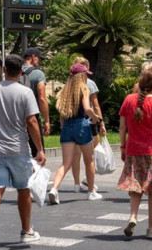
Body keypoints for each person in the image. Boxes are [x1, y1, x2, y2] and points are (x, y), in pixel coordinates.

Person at [0, 54, 46, 250]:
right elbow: (32, 121)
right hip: (18, 149)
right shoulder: (25, 92)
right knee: (24, 189)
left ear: (3, 70)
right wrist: (40, 149)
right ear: (21, 71)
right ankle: (26, 231)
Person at [117, 67, 152, 239]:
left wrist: (122, 147)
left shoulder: (128, 99)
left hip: (133, 150)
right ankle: (151, 228)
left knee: (135, 186)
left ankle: (133, 216)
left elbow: (122, 127)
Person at [48, 63, 103, 204]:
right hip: (81, 126)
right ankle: (91, 192)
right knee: (89, 159)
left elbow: (61, 113)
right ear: (81, 75)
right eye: (85, 74)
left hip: (67, 127)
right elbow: (87, 108)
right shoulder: (83, 89)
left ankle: (54, 189)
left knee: (65, 163)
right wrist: (96, 118)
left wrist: (63, 126)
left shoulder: (64, 91)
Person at [69, 57, 106, 193]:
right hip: (88, 122)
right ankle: (89, 182)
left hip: (70, 122)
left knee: (75, 155)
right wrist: (101, 122)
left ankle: (76, 183)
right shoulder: (89, 84)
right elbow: (94, 105)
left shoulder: (69, 83)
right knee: (91, 155)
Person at [21, 47, 51, 158]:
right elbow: (42, 98)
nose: (40, 62)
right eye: (39, 58)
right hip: (32, 116)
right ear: (33, 57)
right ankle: (35, 174)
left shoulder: (14, 71)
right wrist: (47, 120)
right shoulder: (38, 74)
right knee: (38, 154)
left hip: (15, 118)